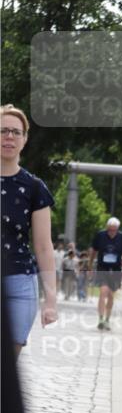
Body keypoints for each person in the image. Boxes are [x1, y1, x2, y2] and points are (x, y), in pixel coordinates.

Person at [1, 104, 57, 351]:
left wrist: (51, 300)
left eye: (16, 132)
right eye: (3, 131)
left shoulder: (35, 188)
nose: (9, 137)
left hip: (20, 284)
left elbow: (44, 247)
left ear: (24, 139)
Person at [88, 217, 122, 330]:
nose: (111, 232)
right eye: (110, 230)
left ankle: (107, 320)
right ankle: (100, 319)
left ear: (117, 229)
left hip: (116, 270)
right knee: (103, 292)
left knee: (111, 296)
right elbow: (93, 251)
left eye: (114, 230)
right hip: (102, 268)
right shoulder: (100, 235)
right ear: (107, 228)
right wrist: (90, 266)